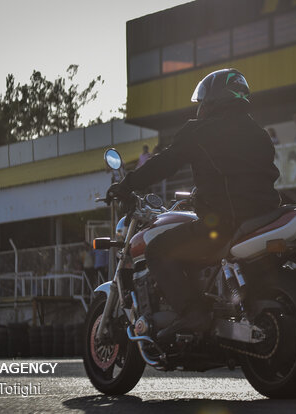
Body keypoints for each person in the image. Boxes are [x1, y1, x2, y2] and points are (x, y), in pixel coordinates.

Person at [108, 68, 281, 340]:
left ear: (212, 101)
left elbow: (164, 163)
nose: (200, 108)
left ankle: (193, 313)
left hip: (226, 222)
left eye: (202, 102)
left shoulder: (200, 131)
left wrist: (127, 184)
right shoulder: (258, 133)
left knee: (158, 251)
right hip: (265, 217)